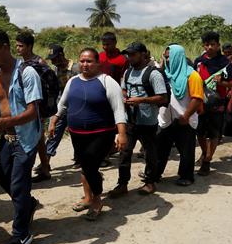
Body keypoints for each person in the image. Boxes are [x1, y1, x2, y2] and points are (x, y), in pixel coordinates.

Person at [0, 29, 42, 244]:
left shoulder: (27, 73)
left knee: (17, 185)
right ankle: (28, 205)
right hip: (6, 138)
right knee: (6, 181)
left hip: (25, 139)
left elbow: (32, 111)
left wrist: (6, 121)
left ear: (5, 47)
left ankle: (21, 233)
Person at [49, 49, 126, 220]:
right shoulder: (73, 81)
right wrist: (54, 119)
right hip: (77, 133)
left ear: (98, 63)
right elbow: (62, 103)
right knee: (85, 165)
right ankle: (88, 197)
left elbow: (119, 110)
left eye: (89, 61)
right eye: (82, 61)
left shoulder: (107, 82)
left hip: (101, 134)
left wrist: (121, 134)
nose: (85, 64)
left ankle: (97, 199)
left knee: (90, 166)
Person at [109, 42, 167, 197]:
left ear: (143, 54)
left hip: (148, 122)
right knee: (124, 153)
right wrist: (124, 98)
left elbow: (163, 97)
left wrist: (141, 100)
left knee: (150, 153)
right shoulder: (128, 72)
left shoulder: (153, 74)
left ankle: (150, 182)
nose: (129, 57)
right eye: (128, 54)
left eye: (133, 54)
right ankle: (122, 184)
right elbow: (124, 89)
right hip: (130, 121)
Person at [151, 44, 204, 189]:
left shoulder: (192, 75)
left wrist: (186, 116)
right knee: (160, 149)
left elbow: (197, 98)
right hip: (166, 120)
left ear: (178, 57)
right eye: (166, 57)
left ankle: (186, 176)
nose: (167, 60)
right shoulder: (165, 74)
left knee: (186, 150)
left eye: (170, 57)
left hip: (184, 120)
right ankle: (154, 174)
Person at [193, 31, 232, 176]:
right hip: (199, 103)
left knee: (213, 134)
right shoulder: (198, 61)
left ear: (218, 45)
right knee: (199, 132)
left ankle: (207, 160)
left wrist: (222, 82)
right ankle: (204, 153)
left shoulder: (225, 63)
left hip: (217, 104)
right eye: (207, 44)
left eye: (213, 44)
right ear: (203, 46)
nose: (210, 47)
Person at [14, 31, 52, 183]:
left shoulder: (39, 62)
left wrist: (42, 110)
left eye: (21, 46)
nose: (17, 49)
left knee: (36, 138)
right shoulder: (21, 63)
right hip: (26, 107)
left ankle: (43, 168)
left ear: (29, 46)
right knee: (38, 139)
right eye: (16, 46)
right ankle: (45, 167)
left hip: (37, 107)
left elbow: (46, 87)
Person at [43, 44, 79, 169]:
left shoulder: (76, 68)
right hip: (60, 107)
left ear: (61, 56)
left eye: (54, 58)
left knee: (76, 134)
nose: (53, 61)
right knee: (54, 132)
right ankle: (45, 161)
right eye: (51, 59)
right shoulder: (55, 70)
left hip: (76, 107)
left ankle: (80, 158)